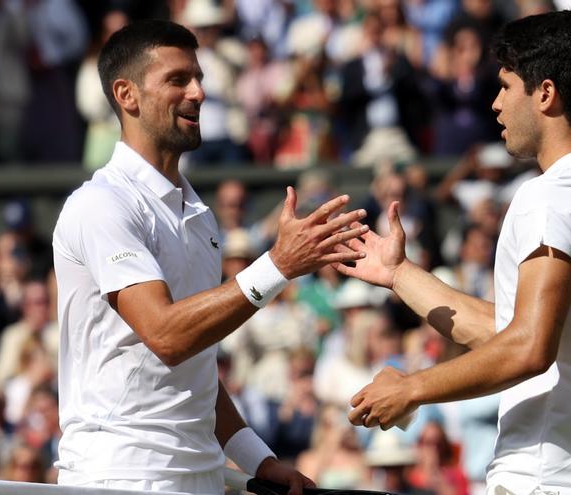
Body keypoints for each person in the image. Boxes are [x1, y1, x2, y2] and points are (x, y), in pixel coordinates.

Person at [334, 11, 571, 494]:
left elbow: (527, 346)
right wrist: (399, 274)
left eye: (506, 87)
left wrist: (411, 389)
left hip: (544, 480)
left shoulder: (553, 196)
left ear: (545, 94)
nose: (495, 103)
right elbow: (511, 331)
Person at [52, 19, 368, 494]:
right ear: (126, 95)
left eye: (198, 78)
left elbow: (194, 368)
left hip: (198, 477)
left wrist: (258, 460)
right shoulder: (100, 205)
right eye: (178, 79)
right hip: (119, 476)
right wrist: (277, 265)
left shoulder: (199, 214)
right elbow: (166, 335)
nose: (199, 93)